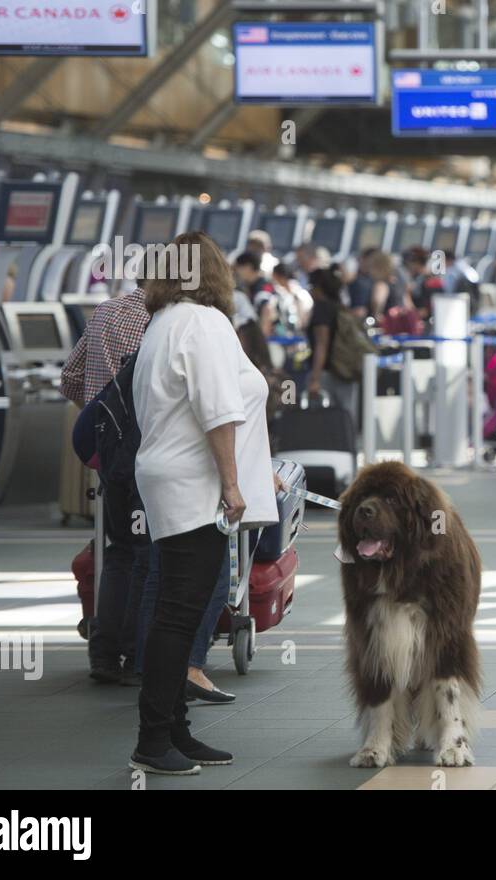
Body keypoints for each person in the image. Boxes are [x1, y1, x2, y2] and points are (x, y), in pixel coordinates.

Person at [129, 230, 276, 775]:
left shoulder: (164, 322)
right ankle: (151, 741)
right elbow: (218, 410)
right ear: (216, 272)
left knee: (177, 608)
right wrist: (233, 486)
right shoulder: (206, 323)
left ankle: (176, 731)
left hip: (167, 477)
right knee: (180, 616)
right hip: (195, 486)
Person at [61, 287, 151, 686]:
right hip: (149, 454)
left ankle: (103, 653)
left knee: (118, 552)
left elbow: (70, 377)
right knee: (147, 555)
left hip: (109, 453)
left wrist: (101, 421)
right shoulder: (164, 319)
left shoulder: (105, 312)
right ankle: (136, 655)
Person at [305, 265, 359, 415]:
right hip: (345, 371)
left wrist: (315, 378)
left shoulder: (321, 309)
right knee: (346, 417)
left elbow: (322, 344)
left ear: (318, 288)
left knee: (321, 419)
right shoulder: (340, 307)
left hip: (326, 373)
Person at [233, 252, 276, 338]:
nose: (236, 273)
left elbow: (267, 310)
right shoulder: (253, 285)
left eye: (238, 268)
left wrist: (261, 339)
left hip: (271, 340)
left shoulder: (261, 287)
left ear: (248, 267)